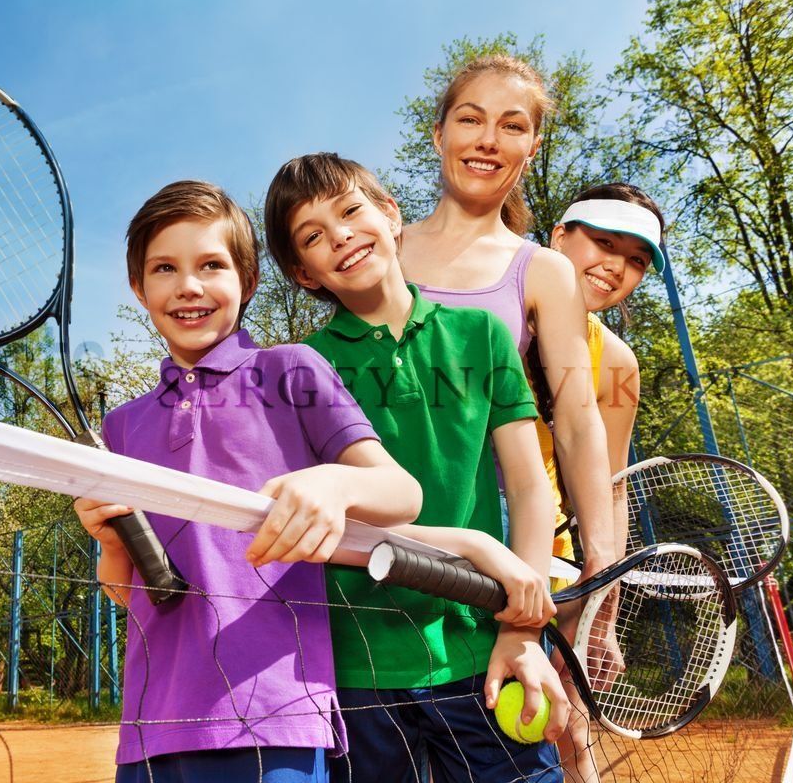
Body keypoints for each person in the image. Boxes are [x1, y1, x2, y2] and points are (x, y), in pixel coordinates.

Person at [74, 179, 423, 783]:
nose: (188, 285)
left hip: (274, 717)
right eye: (164, 268)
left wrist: (336, 485)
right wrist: (109, 544)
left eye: (211, 264)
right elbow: (129, 595)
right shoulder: (123, 424)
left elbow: (402, 495)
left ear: (247, 281)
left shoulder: (292, 371)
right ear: (139, 288)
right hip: (149, 729)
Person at [264, 152, 569, 783]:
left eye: (351, 211)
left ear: (391, 214)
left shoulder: (481, 335)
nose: (341, 235)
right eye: (313, 236)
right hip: (356, 668)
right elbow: (319, 525)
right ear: (303, 273)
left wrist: (523, 629)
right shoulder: (296, 367)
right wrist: (471, 546)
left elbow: (530, 487)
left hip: (480, 647)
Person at [398, 55, 619, 587]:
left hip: (498, 526)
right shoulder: (382, 249)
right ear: (439, 134)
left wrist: (602, 555)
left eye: (512, 125)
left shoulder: (543, 270)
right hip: (381, 512)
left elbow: (577, 418)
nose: (488, 140)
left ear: (532, 147)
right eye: (471, 119)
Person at [539, 182, 665, 783]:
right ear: (557, 236)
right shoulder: (481, 310)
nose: (616, 266)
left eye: (636, 259)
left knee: (566, 728)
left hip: (548, 567)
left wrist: (602, 616)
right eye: (603, 242)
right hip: (447, 550)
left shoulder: (615, 362)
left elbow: (609, 485)